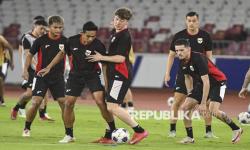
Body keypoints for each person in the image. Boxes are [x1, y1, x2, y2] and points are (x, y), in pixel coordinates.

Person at [38, 21, 116, 144]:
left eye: (93, 36)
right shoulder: (71, 41)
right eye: (88, 36)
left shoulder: (98, 45)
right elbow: (61, 53)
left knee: (100, 101)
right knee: (68, 104)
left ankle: (112, 132)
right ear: (82, 33)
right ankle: (69, 135)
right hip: (75, 75)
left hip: (92, 75)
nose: (91, 39)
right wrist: (48, 67)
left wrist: (106, 84)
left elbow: (104, 65)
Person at [86, 7, 148, 145]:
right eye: (117, 19)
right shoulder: (115, 33)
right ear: (113, 19)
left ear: (127, 22)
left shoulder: (124, 36)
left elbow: (120, 58)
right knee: (110, 105)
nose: (119, 22)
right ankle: (108, 136)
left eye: (122, 20)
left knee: (112, 107)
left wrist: (101, 57)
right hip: (114, 75)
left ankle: (139, 131)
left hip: (121, 74)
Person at [174, 38, 242, 144]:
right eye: (177, 50)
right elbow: (187, 77)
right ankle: (189, 137)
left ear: (189, 49)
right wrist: (190, 94)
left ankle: (236, 129)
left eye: (181, 50)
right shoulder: (182, 61)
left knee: (213, 110)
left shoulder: (198, 58)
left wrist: (202, 104)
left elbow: (207, 82)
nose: (179, 53)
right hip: (202, 83)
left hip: (217, 83)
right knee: (185, 107)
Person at [164, 11, 215, 138]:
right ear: (186, 21)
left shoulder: (205, 36)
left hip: (200, 75)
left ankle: (208, 131)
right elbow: (171, 55)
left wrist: (211, 73)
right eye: (189, 21)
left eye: (194, 21)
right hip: (184, 72)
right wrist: (167, 73)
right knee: (177, 102)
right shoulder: (179, 36)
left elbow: (209, 57)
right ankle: (172, 130)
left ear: (198, 21)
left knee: (206, 104)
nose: (191, 23)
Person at [21, 15, 66, 137]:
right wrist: (25, 70)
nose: (58, 30)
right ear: (49, 27)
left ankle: (69, 133)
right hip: (41, 76)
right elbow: (29, 55)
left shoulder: (65, 41)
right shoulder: (40, 40)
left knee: (63, 103)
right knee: (36, 102)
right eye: (55, 27)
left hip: (58, 77)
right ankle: (26, 128)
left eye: (60, 27)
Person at [11, 17, 53, 121]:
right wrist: (31, 68)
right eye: (41, 28)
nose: (43, 31)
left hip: (39, 69)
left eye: (44, 29)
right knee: (29, 93)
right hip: (30, 68)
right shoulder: (27, 37)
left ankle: (42, 114)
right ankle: (16, 108)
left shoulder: (42, 38)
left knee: (43, 91)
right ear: (35, 26)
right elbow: (27, 54)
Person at [0, 35, 14, 106]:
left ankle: (2, 100)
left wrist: (12, 61)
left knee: (1, 80)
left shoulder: (1, 39)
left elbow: (10, 48)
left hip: (4, 61)